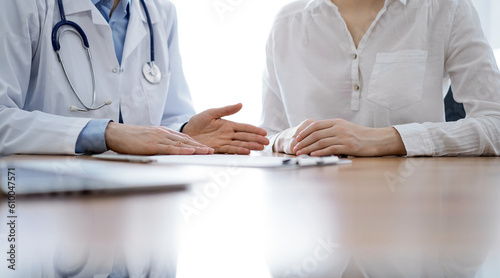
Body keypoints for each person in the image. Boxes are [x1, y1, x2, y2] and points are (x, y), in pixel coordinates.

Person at [0, 0, 269, 156]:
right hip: (42, 204)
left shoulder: (159, 11)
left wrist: (184, 132)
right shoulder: (20, 5)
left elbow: (166, 117)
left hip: (138, 200)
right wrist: (103, 133)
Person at [261, 0, 500, 157]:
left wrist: (387, 139)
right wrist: (282, 140)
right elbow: (268, 136)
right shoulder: (286, 23)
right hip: (306, 212)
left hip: (414, 208)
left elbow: (496, 123)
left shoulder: (446, 9)